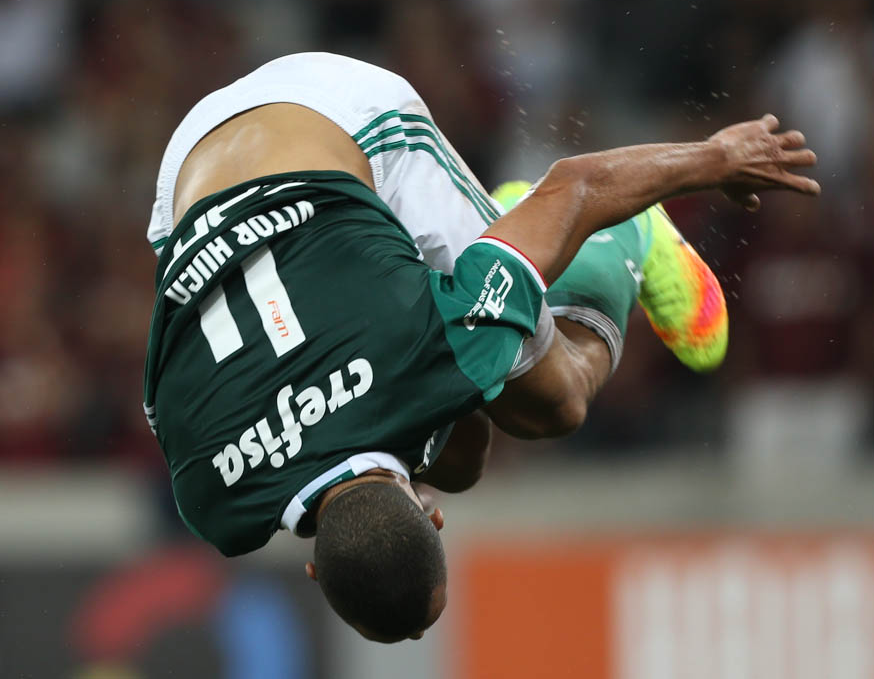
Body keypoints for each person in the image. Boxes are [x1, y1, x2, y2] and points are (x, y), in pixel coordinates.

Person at [142, 52, 819, 643]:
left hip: (338, 114)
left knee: (551, 402)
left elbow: (576, 187)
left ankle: (623, 236)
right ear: (318, 570)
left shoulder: (425, 347)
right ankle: (498, 254)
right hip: (185, 177)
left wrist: (718, 159)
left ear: (427, 521)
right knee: (460, 456)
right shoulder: (208, 501)